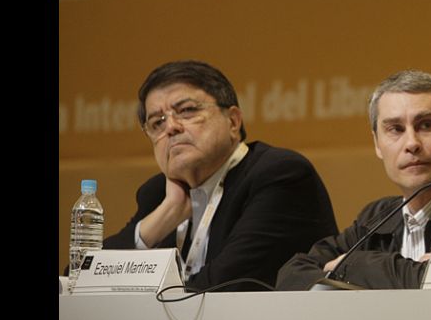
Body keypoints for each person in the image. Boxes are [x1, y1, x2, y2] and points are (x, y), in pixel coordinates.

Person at [276, 69, 431, 290]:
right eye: (395, 129)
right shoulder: (377, 217)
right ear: (377, 144)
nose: (412, 143)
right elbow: (292, 274)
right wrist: (411, 272)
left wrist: (351, 265)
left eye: (425, 125)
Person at [104, 60, 338, 291]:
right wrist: (165, 216)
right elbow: (88, 278)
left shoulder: (278, 175)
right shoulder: (159, 194)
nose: (171, 128)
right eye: (157, 123)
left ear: (233, 121)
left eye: (187, 111)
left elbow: (225, 284)